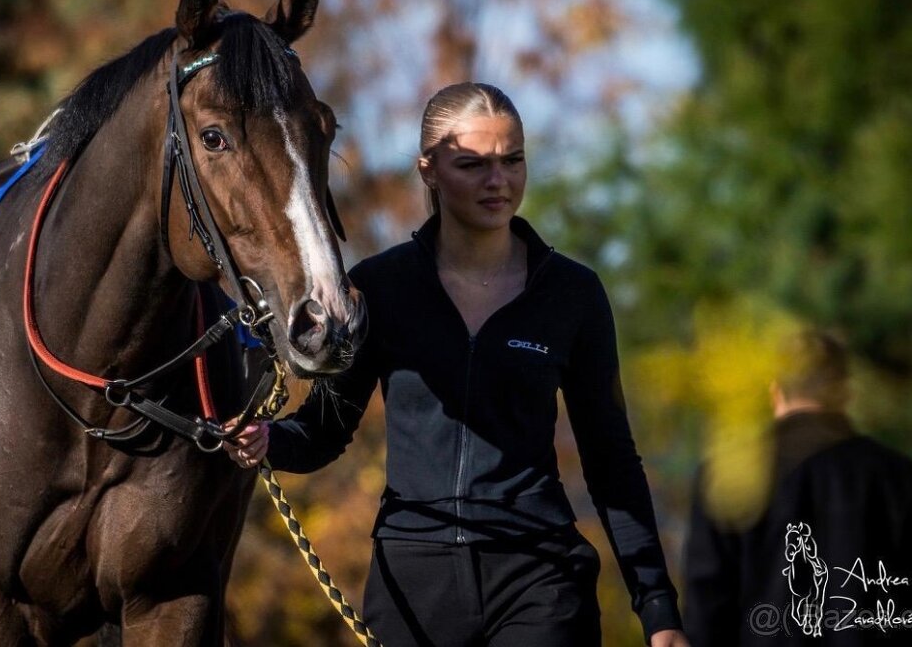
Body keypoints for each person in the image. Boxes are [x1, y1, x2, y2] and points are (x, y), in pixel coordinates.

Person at [226, 82, 688, 647]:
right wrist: (268, 438)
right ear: (429, 170)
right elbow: (324, 429)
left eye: (512, 160)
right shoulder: (379, 287)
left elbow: (611, 459)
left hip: (540, 576)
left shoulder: (573, 294)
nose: (499, 181)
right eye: (472, 164)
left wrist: (659, 610)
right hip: (413, 582)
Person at [683, 329, 912, 646]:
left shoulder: (724, 476)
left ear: (776, 392)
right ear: (845, 394)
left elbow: (707, 610)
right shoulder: (896, 476)